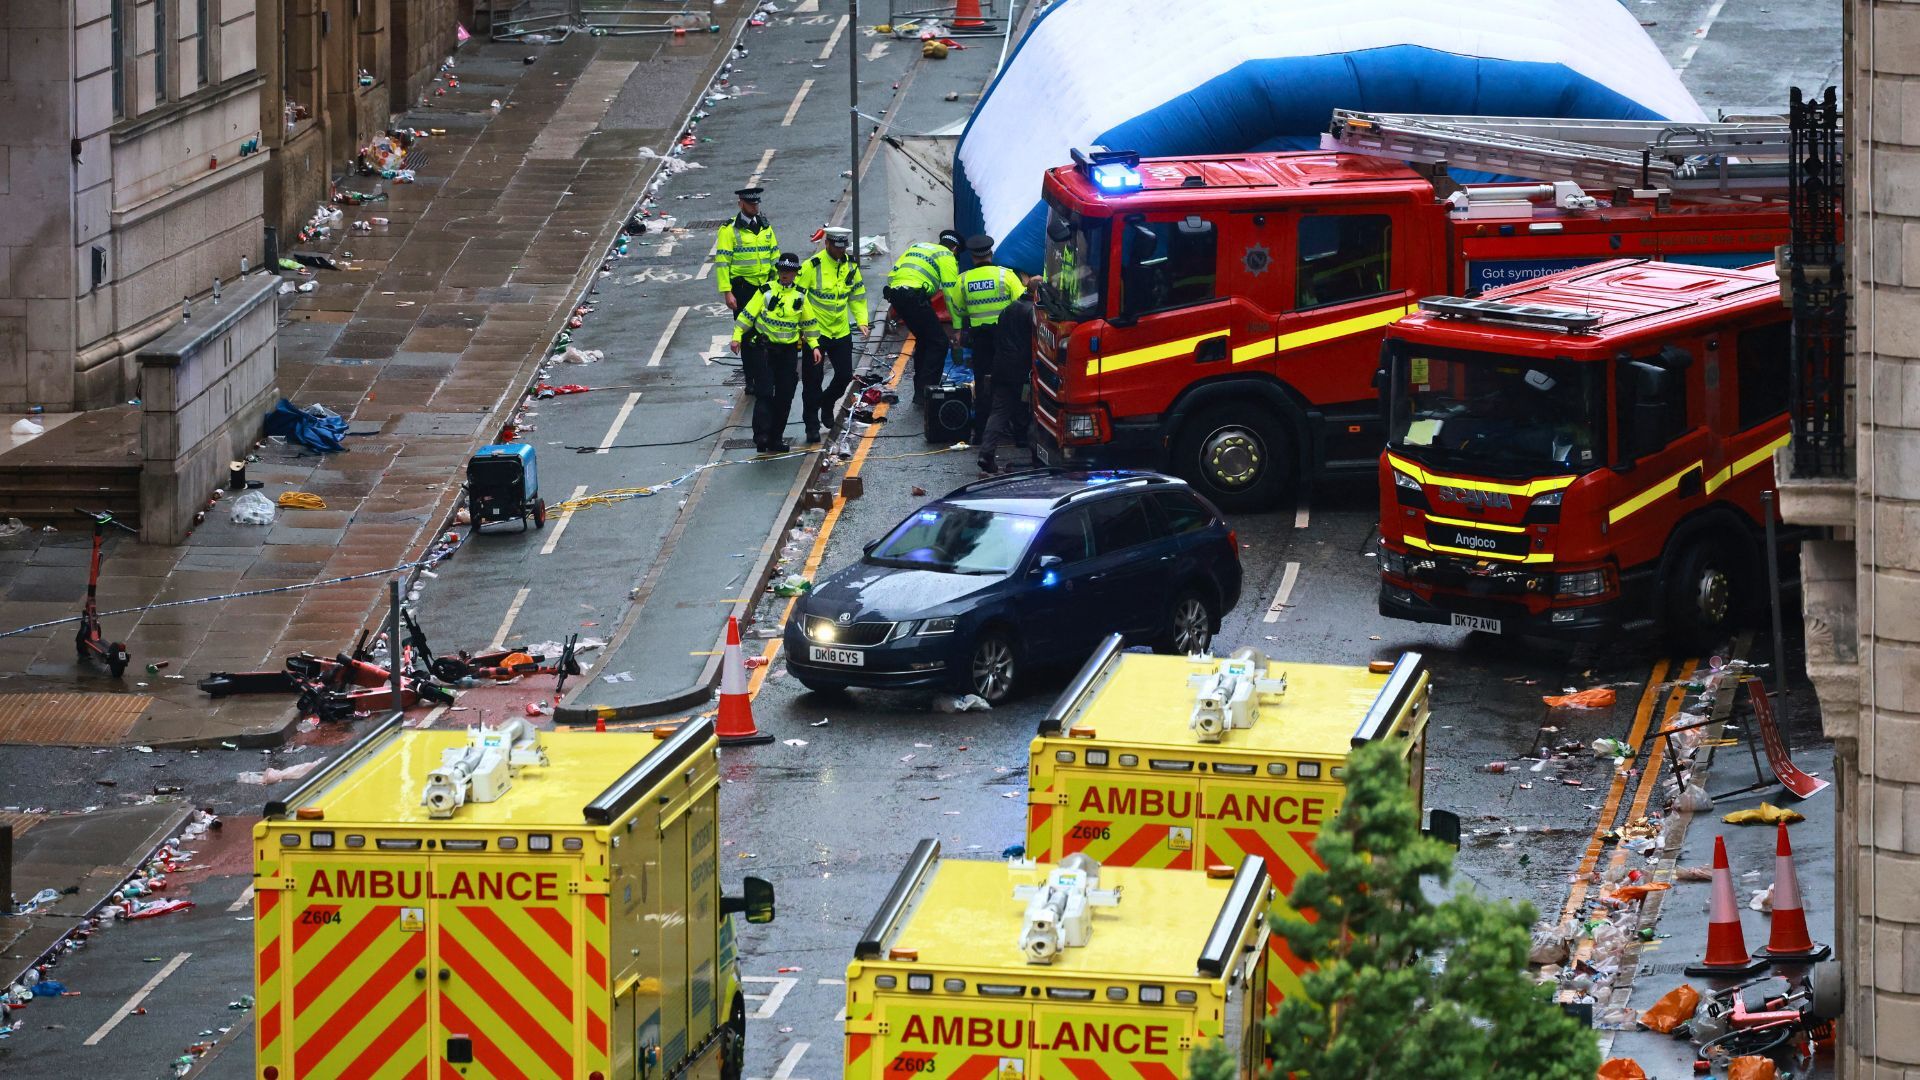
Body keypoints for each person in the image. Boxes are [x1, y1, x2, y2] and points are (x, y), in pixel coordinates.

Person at [730, 252, 820, 454]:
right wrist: (737, 337)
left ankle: (776, 438)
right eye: (782, 270)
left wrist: (814, 346)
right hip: (765, 350)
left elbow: (809, 324)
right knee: (764, 392)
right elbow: (747, 315)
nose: (784, 274)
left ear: (795, 273)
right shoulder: (766, 290)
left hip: (788, 352)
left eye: (789, 271)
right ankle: (762, 436)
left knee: (785, 395)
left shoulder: (800, 295)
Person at [796, 226, 869, 442]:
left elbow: (857, 296)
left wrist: (862, 321)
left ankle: (827, 403)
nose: (841, 252)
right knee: (812, 382)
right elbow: (797, 298)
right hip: (815, 333)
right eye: (837, 248)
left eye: (843, 248)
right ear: (827, 244)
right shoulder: (812, 266)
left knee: (845, 375)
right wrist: (800, 329)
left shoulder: (850, 266)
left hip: (840, 330)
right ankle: (811, 425)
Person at [953, 235, 1026, 443]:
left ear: (973, 257)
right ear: (991, 254)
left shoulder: (964, 280)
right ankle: (1020, 434)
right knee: (1014, 382)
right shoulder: (1006, 275)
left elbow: (958, 309)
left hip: (981, 340)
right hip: (1007, 339)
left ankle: (981, 433)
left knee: (983, 384)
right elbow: (1021, 304)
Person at [884, 229, 964, 402]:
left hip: (897, 294)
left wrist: (895, 307)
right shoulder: (947, 255)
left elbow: (892, 275)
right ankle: (928, 392)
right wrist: (957, 326)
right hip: (914, 297)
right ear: (955, 249)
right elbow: (950, 294)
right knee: (939, 342)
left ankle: (920, 391)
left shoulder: (917, 247)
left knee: (924, 340)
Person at [716, 187, 780, 390]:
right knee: (747, 333)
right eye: (751, 204)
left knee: (768, 331)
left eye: (756, 204)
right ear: (741, 204)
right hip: (743, 288)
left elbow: (774, 255)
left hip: (765, 287)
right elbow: (722, 262)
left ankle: (766, 374)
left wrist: (778, 283)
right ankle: (751, 379)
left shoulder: (765, 226)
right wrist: (727, 292)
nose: (755, 207)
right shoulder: (729, 230)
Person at [977, 277, 1039, 473]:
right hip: (1022, 371)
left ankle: (986, 453)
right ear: (1038, 293)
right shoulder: (1033, 312)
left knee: (999, 412)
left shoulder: (1009, 308)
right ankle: (1037, 457)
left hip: (1002, 367)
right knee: (1034, 411)